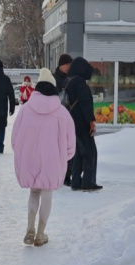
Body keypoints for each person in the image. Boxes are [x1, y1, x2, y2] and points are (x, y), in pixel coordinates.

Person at [11, 68, 76, 246]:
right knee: (47, 193)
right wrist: (64, 157)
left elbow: (15, 138)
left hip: (30, 159)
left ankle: (29, 228)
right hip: (53, 161)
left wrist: (21, 154)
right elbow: (71, 144)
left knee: (34, 191)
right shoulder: (62, 113)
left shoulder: (25, 110)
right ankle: (41, 233)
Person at [64, 57, 102, 191]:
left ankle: (75, 182)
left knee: (79, 153)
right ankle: (87, 182)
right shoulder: (80, 83)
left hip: (73, 123)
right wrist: (91, 122)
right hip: (82, 123)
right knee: (90, 152)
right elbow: (86, 105)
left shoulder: (70, 82)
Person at [53, 53, 73, 185]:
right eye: (67, 65)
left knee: (67, 147)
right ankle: (58, 173)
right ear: (62, 65)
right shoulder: (54, 79)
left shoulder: (70, 79)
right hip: (56, 118)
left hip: (69, 116)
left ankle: (67, 175)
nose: (69, 67)